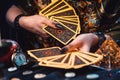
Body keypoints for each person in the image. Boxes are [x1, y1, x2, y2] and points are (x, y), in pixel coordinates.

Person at [6, 0, 120, 53]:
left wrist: (97, 38)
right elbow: (12, 8)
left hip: (99, 62)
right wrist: (22, 20)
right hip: (43, 62)